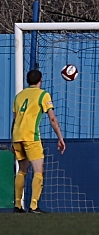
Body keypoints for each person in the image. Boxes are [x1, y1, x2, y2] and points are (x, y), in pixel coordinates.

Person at [12, 69, 66, 213]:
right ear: (40, 80)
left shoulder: (19, 96)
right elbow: (52, 118)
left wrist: (13, 139)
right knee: (38, 171)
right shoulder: (43, 94)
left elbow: (15, 118)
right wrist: (60, 138)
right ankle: (34, 206)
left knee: (22, 170)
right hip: (31, 137)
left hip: (17, 136)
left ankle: (17, 205)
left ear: (27, 81)